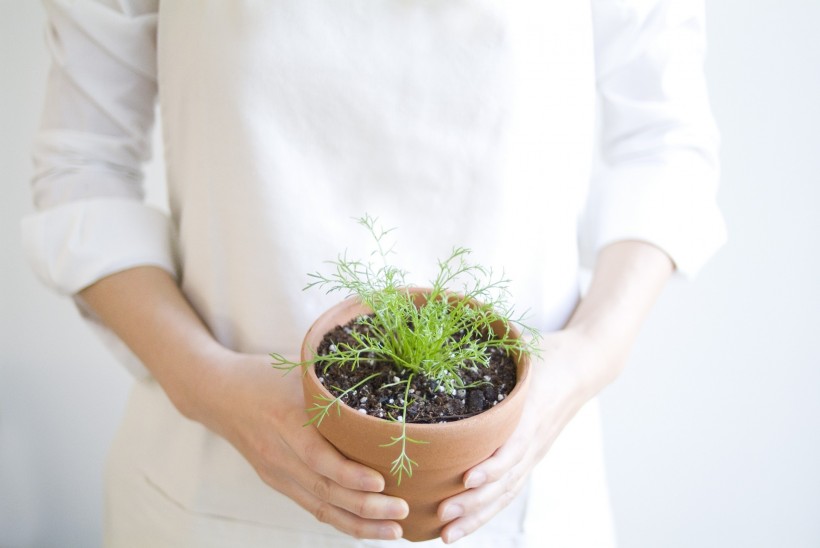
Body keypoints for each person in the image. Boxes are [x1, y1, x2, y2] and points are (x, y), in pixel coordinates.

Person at [23, 1, 725, 546]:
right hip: (216, 488)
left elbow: (665, 144)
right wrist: (209, 384)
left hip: (516, 490)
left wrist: (580, 363)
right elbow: (83, 169)